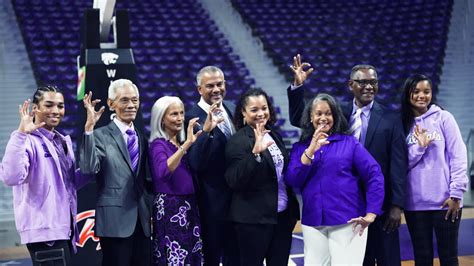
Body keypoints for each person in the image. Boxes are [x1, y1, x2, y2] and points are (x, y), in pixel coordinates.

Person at [288, 54, 408, 266]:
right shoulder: (337, 111)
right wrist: (298, 86)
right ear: (351, 85)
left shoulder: (391, 119)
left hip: (370, 204)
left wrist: (396, 205)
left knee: (387, 258)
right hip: (331, 209)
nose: (368, 87)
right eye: (362, 82)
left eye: (373, 82)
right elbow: (302, 117)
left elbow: (396, 165)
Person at [285, 93, 385, 265]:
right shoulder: (300, 148)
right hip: (313, 221)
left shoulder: (349, 143)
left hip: (348, 222)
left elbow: (374, 174)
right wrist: (310, 151)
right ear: (310, 117)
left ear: (335, 116)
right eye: (318, 113)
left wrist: (371, 213)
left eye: (328, 113)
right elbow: (293, 180)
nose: (323, 118)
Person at [0, 85, 90, 265]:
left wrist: (89, 132)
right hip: (44, 232)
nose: (56, 111)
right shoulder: (26, 140)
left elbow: (70, 184)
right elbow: (10, 176)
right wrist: (20, 134)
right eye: (49, 105)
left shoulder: (62, 141)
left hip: (66, 229)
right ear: (35, 108)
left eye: (60, 106)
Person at [80, 79, 152, 266]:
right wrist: (89, 129)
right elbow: (88, 168)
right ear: (111, 104)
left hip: (142, 222)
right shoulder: (99, 135)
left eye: (135, 100)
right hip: (114, 222)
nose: (131, 105)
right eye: (124, 100)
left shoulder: (142, 138)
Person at [224, 88, 300, 266]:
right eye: (254, 110)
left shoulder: (274, 134)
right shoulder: (238, 141)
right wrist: (255, 154)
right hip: (253, 221)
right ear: (243, 112)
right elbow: (234, 180)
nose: (261, 113)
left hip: (281, 218)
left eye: (264, 108)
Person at [400, 74, 468, 266]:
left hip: (446, 203)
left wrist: (456, 194)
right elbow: (402, 164)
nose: (422, 95)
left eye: (426, 91)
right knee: (422, 259)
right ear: (408, 94)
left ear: (432, 94)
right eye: (416, 91)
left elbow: (458, 156)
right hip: (415, 205)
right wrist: (419, 147)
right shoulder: (402, 124)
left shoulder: (444, 118)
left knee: (449, 258)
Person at [185, 66, 239, 266]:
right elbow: (195, 163)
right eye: (210, 86)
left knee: (237, 256)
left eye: (220, 84)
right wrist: (206, 132)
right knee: (212, 257)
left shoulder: (234, 108)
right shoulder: (191, 117)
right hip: (211, 203)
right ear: (199, 89)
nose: (216, 89)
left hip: (239, 200)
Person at [148, 95, 204, 265]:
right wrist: (186, 145)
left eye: (181, 113)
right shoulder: (158, 144)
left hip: (189, 205)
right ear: (161, 119)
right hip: (171, 207)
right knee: (175, 258)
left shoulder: (178, 142)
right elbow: (163, 171)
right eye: (173, 114)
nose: (180, 118)